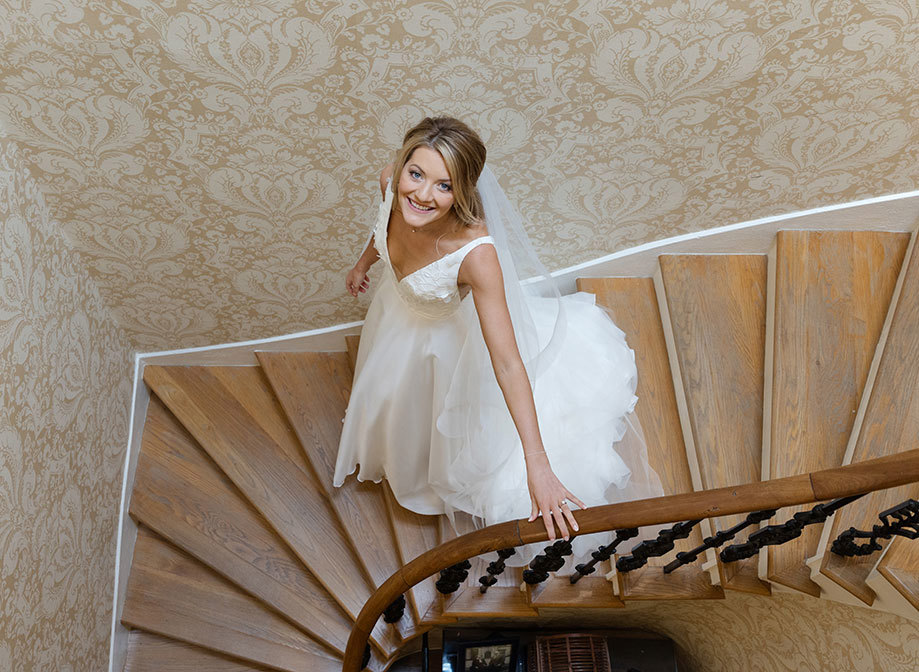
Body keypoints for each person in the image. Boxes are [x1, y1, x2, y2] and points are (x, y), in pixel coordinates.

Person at [334, 116, 660, 562]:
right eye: (417, 174)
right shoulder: (391, 182)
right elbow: (384, 228)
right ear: (403, 166)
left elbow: (507, 364)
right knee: (392, 400)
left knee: (433, 413)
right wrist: (362, 266)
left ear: (464, 191)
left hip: (440, 343)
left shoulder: (477, 255)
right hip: (395, 318)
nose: (423, 195)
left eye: (444, 186)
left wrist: (537, 464)